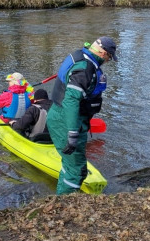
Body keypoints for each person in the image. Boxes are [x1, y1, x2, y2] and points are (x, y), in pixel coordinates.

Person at [47, 36, 117, 195]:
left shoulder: (81, 57)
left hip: (65, 118)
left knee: (73, 167)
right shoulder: (85, 68)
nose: (107, 61)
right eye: (108, 57)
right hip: (66, 121)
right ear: (102, 53)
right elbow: (71, 100)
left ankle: (61, 197)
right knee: (76, 171)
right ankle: (64, 205)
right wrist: (72, 132)